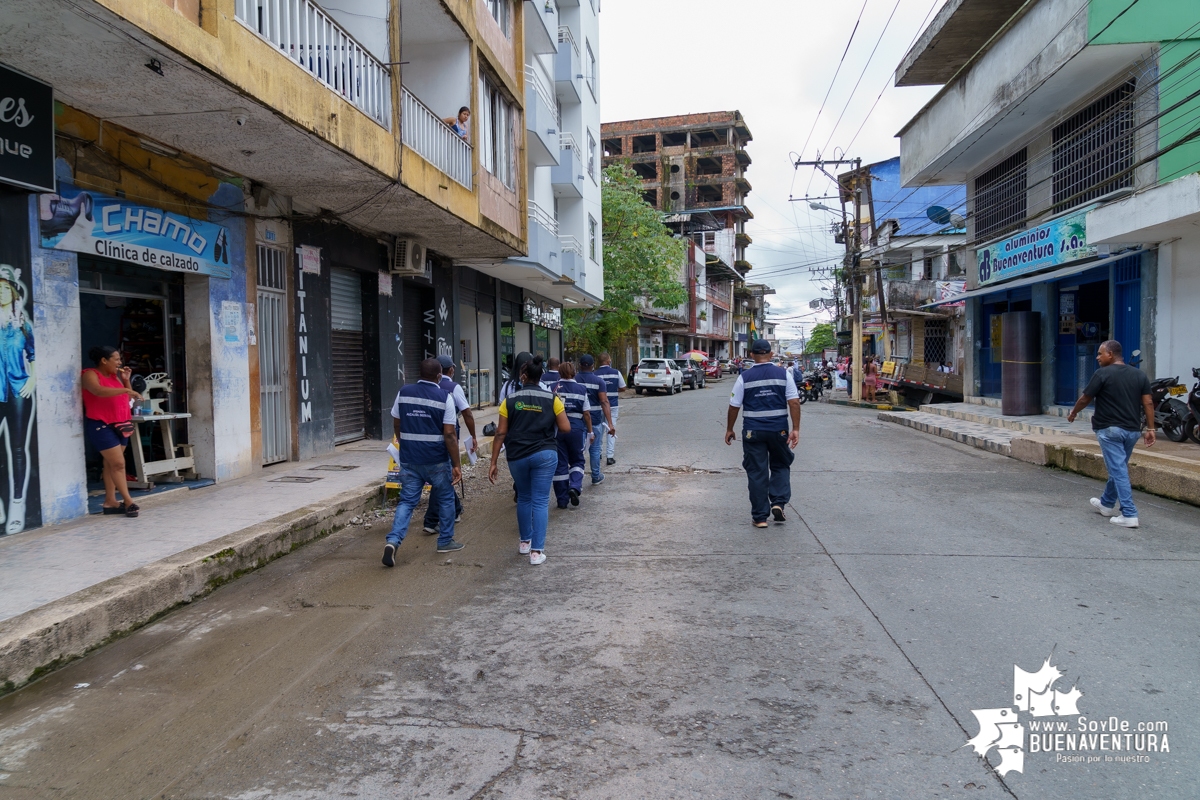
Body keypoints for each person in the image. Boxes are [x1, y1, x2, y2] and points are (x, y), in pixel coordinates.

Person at [488, 356, 570, 564]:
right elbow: (566, 428)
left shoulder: (510, 400)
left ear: (523, 376)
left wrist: (494, 461)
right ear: (541, 375)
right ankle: (536, 552)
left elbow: (500, 433)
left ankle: (524, 543)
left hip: (517, 455)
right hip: (545, 454)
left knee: (524, 497)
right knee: (541, 500)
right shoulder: (553, 400)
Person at [383, 358, 463, 567]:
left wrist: (404, 443)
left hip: (410, 459)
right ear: (439, 376)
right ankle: (445, 540)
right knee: (445, 498)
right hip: (436, 460)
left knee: (407, 501)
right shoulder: (444, 396)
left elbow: (397, 422)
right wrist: (456, 464)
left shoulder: (404, 392)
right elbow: (450, 435)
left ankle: (393, 541)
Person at [1066, 340, 1155, 528]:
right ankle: (1106, 504)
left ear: (1111, 354)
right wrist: (1151, 429)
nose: (1097, 357)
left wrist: (1073, 413)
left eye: (1100, 353)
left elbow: (1085, 398)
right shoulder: (1139, 375)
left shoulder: (1102, 374)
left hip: (1109, 430)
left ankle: (1129, 514)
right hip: (1132, 431)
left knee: (1119, 470)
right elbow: (1148, 403)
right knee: (1118, 467)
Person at [725, 339, 801, 528]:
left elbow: (734, 406)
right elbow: (794, 402)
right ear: (771, 354)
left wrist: (729, 429)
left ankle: (760, 518)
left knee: (757, 472)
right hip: (779, 430)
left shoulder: (744, 377)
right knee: (780, 465)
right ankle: (777, 502)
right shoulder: (784, 374)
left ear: (751, 355)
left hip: (753, 432)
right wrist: (795, 429)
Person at [82, 345, 142, 518]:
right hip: (102, 425)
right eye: (116, 359)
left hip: (121, 424)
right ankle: (128, 501)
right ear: (103, 360)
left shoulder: (115, 377)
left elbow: (128, 397)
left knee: (110, 464)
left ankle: (110, 502)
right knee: (118, 464)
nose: (119, 363)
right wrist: (125, 388)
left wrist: (125, 380)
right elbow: (97, 391)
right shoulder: (90, 374)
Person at [421, 355, 477, 535]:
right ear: (451, 370)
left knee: (444, 473)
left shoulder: (424, 386)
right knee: (442, 474)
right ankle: (431, 520)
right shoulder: (454, 387)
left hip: (426, 437)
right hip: (448, 436)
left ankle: (456, 509)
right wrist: (474, 436)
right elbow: (467, 414)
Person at [0, 266, 37, 532]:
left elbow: (33, 355)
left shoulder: (22, 324)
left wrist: (32, 381)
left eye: (5, 287)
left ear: (13, 291)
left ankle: (17, 505)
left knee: (16, 449)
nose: (1, 291)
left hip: (18, 392)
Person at [550, 361, 592, 508]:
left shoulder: (552, 388)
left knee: (560, 464)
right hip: (576, 429)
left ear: (559, 372)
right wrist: (590, 432)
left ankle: (562, 500)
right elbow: (586, 413)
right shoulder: (581, 389)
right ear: (574, 372)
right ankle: (574, 486)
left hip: (557, 430)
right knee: (577, 461)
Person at [576, 354, 616, 485]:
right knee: (594, 450)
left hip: (577, 421)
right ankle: (596, 475)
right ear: (593, 366)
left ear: (579, 365)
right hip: (595, 421)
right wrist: (610, 424)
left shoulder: (574, 380)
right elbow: (604, 402)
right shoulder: (599, 381)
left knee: (577, 451)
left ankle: (576, 479)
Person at [594, 353, 626, 466]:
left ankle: (598, 453)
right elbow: (623, 387)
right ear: (608, 361)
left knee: (599, 430)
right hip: (612, 405)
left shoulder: (595, 374)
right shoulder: (616, 373)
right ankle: (610, 456)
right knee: (611, 430)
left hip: (599, 406)